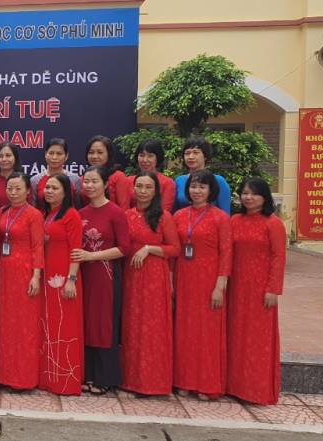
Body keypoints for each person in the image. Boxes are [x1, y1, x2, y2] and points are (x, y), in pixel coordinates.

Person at [172, 169, 232, 400]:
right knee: (184, 330)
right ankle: (184, 381)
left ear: (211, 190)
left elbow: (226, 253)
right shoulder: (179, 216)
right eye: (193, 186)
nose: (196, 191)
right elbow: (174, 250)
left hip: (209, 280)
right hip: (184, 277)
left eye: (202, 187)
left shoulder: (220, 218)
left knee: (207, 332)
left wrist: (220, 285)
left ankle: (206, 384)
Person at [73, 166, 130, 395]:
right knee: (86, 321)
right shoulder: (80, 213)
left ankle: (105, 377)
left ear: (105, 184)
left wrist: (91, 256)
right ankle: (87, 372)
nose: (89, 186)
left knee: (104, 324)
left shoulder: (116, 213)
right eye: (86, 181)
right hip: (84, 275)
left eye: (94, 181)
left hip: (106, 274)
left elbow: (124, 248)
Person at [227, 177, 285, 405]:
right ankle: (234, 386)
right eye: (244, 193)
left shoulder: (273, 223)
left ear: (264, 197)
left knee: (257, 338)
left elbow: (278, 257)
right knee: (236, 335)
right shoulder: (234, 220)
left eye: (254, 194)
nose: (248, 198)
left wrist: (273, 289)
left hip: (260, 289)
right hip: (236, 287)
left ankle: (255, 390)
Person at [121, 172, 179, 396]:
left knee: (152, 328)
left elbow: (175, 249)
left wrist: (149, 249)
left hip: (154, 276)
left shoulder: (163, 217)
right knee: (132, 326)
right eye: (139, 186)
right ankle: (131, 380)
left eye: (148, 187)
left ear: (156, 191)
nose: (143, 191)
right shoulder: (127, 215)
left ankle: (153, 382)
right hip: (131, 276)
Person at [0, 173, 43, 391]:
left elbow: (38, 247)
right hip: (4, 272)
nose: (13, 193)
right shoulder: (3, 212)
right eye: (10, 188)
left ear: (28, 191)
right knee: (4, 322)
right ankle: (2, 373)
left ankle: (22, 378)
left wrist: (36, 276)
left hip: (24, 272)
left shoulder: (34, 214)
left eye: (18, 189)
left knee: (22, 325)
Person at [38, 173, 84, 395]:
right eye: (47, 187)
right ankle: (49, 377)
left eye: (54, 188)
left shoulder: (71, 215)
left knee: (65, 325)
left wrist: (71, 280)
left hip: (64, 276)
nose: (49, 191)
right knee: (50, 324)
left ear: (66, 192)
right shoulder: (48, 214)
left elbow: (76, 250)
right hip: (47, 276)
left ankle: (66, 380)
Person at [174, 137, 231, 213]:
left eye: (196, 153)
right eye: (187, 153)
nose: (191, 157)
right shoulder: (179, 180)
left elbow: (225, 213)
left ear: (205, 156)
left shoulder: (218, 181)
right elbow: (174, 211)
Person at [82, 136, 131, 209]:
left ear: (109, 154)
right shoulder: (84, 178)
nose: (95, 156)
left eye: (100, 152)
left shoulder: (118, 177)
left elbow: (124, 208)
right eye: (91, 152)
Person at [128, 140, 175, 212]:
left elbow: (164, 210)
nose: (145, 160)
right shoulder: (128, 181)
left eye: (150, 156)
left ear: (158, 158)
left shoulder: (167, 183)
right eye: (141, 155)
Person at [33, 138, 82, 207]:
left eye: (59, 154)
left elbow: (78, 205)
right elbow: (33, 207)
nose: (54, 157)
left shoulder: (74, 179)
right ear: (45, 154)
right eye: (51, 153)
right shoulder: (35, 180)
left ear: (66, 156)